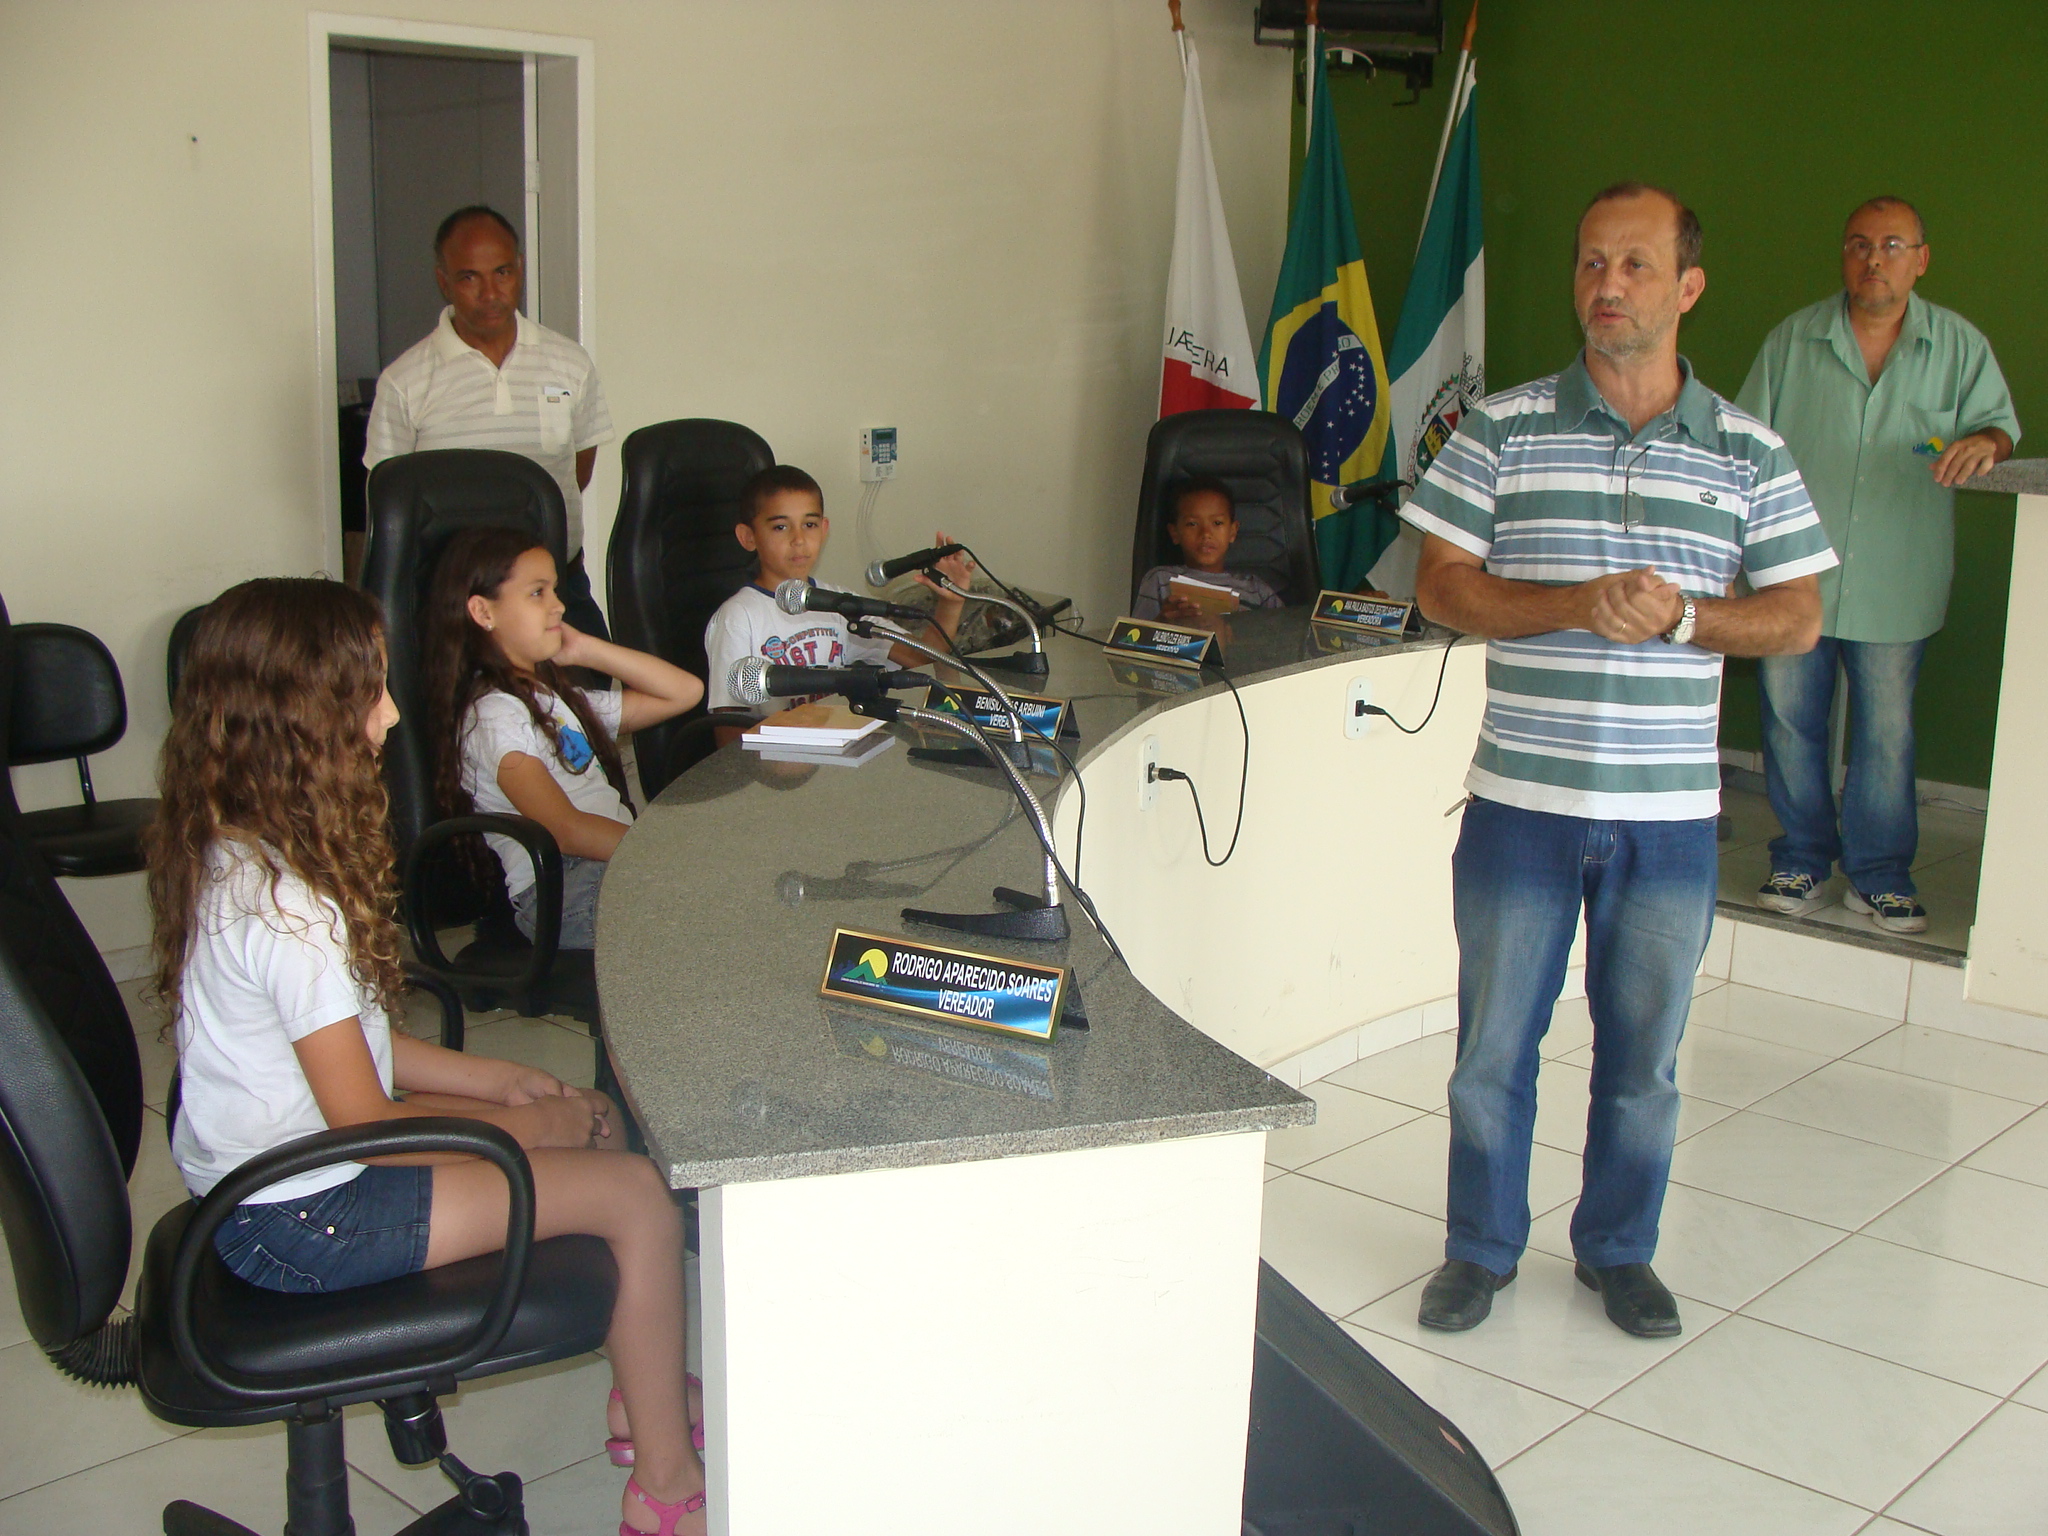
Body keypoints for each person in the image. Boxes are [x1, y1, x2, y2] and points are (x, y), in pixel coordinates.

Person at [146, 578, 709, 1535]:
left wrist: (499, 1080)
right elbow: (362, 1125)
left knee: (590, 1140)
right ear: (302, 720)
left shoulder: (232, 848)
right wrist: (528, 1125)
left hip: (259, 1190)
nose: (393, 712)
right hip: (305, 1215)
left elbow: (349, 1053)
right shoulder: (293, 912)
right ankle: (665, 1483)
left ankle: (638, 1392)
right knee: (635, 1197)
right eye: (371, 690)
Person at [1400, 184, 1836, 1338]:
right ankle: (1479, 1251)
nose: (1606, 286)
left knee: (1641, 1059)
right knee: (1491, 1049)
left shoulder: (1748, 450)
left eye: (1635, 266)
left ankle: (1616, 1251)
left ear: (1687, 288)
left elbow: (1794, 616)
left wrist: (1683, 620)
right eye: (1592, 263)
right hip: (1519, 805)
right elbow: (1438, 587)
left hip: (1670, 818)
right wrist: (1573, 606)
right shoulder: (1499, 428)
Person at [1738, 197, 2019, 934]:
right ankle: (1800, 859)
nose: (1874, 259)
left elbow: (1999, 425)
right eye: (1860, 244)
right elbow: (1742, 451)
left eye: (1893, 245)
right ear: (1844, 256)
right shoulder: (1792, 342)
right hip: (1794, 577)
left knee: (1886, 733)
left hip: (1900, 576)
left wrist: (1987, 443)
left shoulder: (1959, 347)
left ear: (1921, 258)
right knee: (1791, 722)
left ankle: (1880, 875)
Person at [424, 526, 702, 951]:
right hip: (560, 889)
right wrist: (661, 851)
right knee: (713, 908)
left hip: (606, 865)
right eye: (537, 593)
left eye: (555, 590)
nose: (558, 606)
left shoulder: (551, 697)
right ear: (483, 612)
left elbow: (684, 692)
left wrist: (584, 649)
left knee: (726, 895)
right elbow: (564, 830)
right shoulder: (494, 714)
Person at [365, 205, 617, 639]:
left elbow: (578, 468)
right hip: (453, 602)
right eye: (469, 278)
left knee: (591, 697)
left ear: (519, 269)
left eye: (502, 273)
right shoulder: (404, 382)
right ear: (443, 280)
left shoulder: (569, 363)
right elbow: (390, 499)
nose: (490, 293)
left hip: (557, 588)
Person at [702, 464, 975, 712]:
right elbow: (728, 726)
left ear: (824, 529)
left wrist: (950, 603)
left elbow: (919, 660)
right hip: (776, 760)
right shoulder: (739, 617)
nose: (798, 539)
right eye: (781, 527)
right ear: (748, 537)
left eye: (809, 525)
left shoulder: (839, 604)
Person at [1132, 475, 1285, 623]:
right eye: (1192, 524)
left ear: (1232, 531)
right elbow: (1133, 641)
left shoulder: (1256, 590)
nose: (1206, 534)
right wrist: (1162, 623)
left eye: (1217, 523)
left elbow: (1290, 637)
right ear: (1175, 533)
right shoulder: (1160, 580)